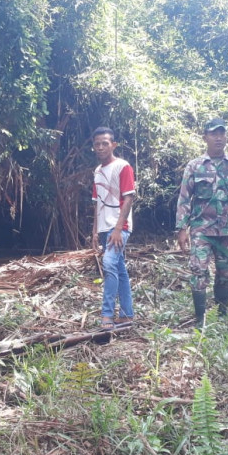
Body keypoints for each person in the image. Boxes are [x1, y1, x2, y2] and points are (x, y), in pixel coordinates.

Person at [176, 118, 228, 325]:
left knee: (225, 274)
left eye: (222, 133)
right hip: (201, 229)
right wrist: (181, 228)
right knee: (199, 272)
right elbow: (184, 197)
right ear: (205, 137)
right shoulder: (194, 166)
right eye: (213, 134)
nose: (218, 138)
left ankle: (222, 317)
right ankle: (200, 319)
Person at [91, 127, 136, 330]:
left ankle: (107, 315)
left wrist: (118, 228)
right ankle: (127, 315)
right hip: (103, 228)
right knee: (119, 269)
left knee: (108, 264)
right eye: (97, 144)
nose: (100, 147)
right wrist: (94, 231)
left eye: (105, 143)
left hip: (119, 226)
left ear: (113, 145)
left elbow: (129, 198)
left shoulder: (122, 166)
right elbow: (97, 203)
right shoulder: (97, 171)